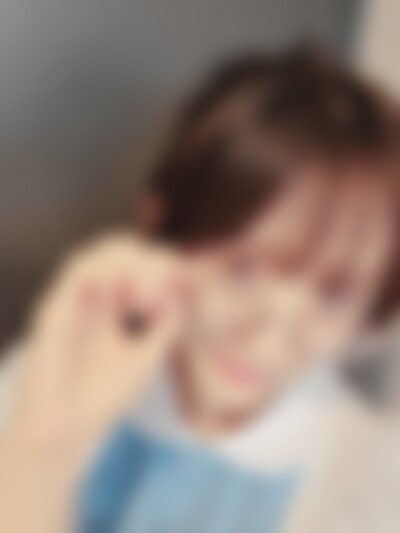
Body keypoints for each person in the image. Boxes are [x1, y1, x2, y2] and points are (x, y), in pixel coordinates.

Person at [0, 45, 399, 533]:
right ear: (162, 224)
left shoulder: (373, 478)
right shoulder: (55, 377)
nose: (270, 337)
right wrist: (44, 451)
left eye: (334, 295)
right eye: (242, 269)